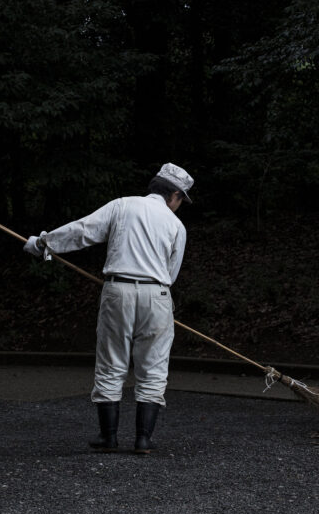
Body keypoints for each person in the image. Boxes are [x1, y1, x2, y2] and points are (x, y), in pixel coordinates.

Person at [23, 163, 193, 454]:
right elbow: (172, 273)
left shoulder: (122, 206)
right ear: (174, 194)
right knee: (153, 367)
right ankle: (143, 439)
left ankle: (109, 437)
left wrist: (44, 243)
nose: (179, 206)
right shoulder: (176, 225)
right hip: (158, 294)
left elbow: (83, 230)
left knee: (112, 362)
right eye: (181, 200)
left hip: (118, 290)